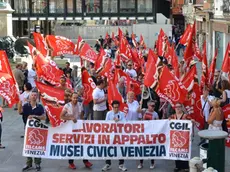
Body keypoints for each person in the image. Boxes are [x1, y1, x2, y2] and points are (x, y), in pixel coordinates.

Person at [60, 92, 93, 169]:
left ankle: (86, 161)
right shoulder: (67, 106)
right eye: (74, 97)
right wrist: (70, 118)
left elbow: (81, 116)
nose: (75, 99)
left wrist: (83, 124)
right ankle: (71, 163)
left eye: (76, 98)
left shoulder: (80, 105)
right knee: (71, 145)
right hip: (70, 128)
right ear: (71, 98)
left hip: (78, 128)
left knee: (82, 144)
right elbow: (61, 116)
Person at [22, 91, 46, 172]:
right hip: (28, 129)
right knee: (28, 146)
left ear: (37, 97)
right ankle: (29, 163)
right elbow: (20, 112)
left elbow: (43, 117)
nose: (33, 96)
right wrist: (18, 101)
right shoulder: (25, 106)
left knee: (37, 147)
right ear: (29, 97)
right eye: (32, 95)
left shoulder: (40, 107)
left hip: (37, 129)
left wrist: (35, 116)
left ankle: (37, 163)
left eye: (35, 95)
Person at [102, 100, 127, 172]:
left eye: (117, 107)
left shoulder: (122, 114)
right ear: (112, 107)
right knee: (108, 148)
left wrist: (119, 120)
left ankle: (121, 164)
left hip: (119, 134)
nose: (116, 109)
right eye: (115, 107)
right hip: (111, 134)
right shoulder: (109, 113)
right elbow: (105, 123)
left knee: (121, 149)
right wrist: (112, 121)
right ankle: (108, 164)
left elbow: (125, 122)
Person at [169, 102, 191, 172]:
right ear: (174, 108)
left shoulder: (186, 116)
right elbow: (166, 122)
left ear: (181, 108)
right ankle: (178, 166)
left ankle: (185, 166)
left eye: (179, 107)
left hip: (184, 137)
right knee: (176, 151)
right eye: (176, 107)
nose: (178, 108)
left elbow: (190, 122)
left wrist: (191, 121)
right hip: (175, 136)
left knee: (184, 151)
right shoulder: (173, 116)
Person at [138, 100, 159, 169]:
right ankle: (141, 163)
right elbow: (138, 111)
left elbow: (158, 123)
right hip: (143, 133)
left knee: (151, 148)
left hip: (151, 133)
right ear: (148, 106)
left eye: (154, 106)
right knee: (142, 148)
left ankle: (152, 163)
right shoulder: (144, 111)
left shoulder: (155, 114)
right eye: (152, 106)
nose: (153, 107)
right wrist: (140, 103)